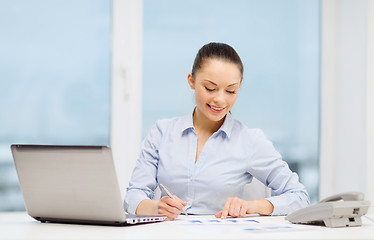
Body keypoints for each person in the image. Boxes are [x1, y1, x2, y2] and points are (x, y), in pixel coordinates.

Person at [124, 42, 310, 220]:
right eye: (210, 88)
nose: (220, 100)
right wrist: (155, 207)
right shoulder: (162, 132)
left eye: (230, 91)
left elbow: (299, 197)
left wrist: (252, 206)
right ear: (192, 81)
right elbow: (133, 195)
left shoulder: (250, 140)